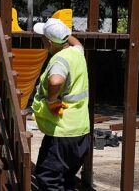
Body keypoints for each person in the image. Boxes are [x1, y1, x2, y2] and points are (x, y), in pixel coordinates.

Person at [32, 18, 91, 191]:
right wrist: (66, 33)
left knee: (48, 177)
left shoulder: (60, 60)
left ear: (49, 42)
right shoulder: (77, 53)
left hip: (61, 132)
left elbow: (56, 81)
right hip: (80, 132)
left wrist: (52, 100)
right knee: (67, 179)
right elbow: (77, 43)